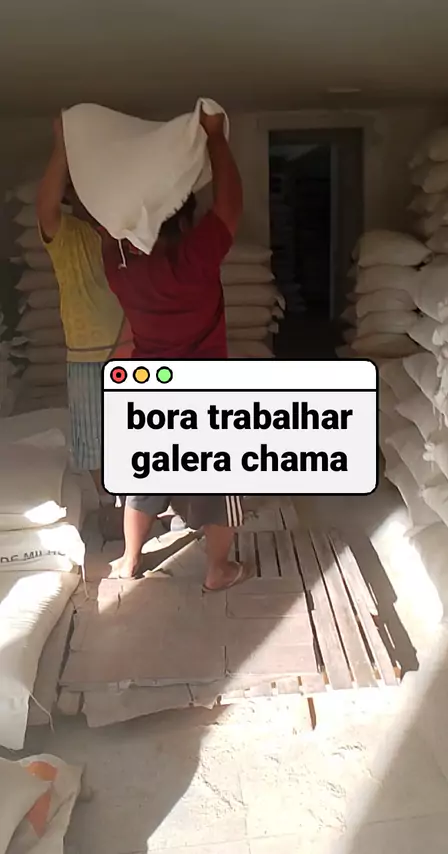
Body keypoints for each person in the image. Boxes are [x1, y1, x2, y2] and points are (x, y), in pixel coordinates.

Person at [102, 108, 248, 591]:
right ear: (185, 219)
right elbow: (229, 206)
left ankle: (129, 560)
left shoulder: (119, 265)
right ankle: (217, 569)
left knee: (145, 474)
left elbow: (106, 216)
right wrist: (215, 139)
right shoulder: (194, 259)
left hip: (149, 386)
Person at [36, 117, 132, 536]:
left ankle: (137, 505)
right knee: (94, 439)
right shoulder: (66, 235)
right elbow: (45, 207)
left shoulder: (128, 236)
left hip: (133, 348)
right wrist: (62, 145)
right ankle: (111, 506)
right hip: (86, 354)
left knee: (136, 431)